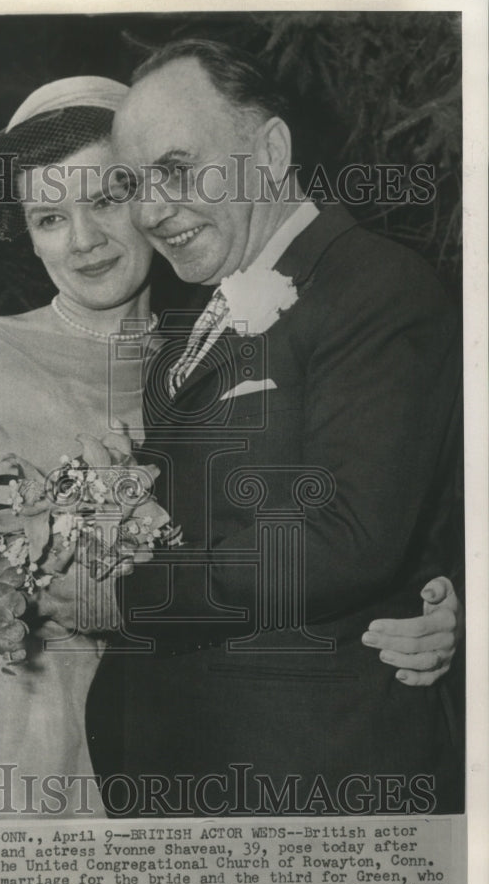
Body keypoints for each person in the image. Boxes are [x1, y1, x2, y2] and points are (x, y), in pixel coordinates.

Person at [0, 75, 460, 821]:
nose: (83, 240)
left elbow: (334, 504)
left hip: (145, 730)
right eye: (49, 218)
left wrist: (429, 601)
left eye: (105, 199)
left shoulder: (207, 349)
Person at [74, 40, 465, 816]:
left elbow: (346, 535)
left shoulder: (375, 286)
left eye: (177, 169)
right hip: (182, 775)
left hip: (306, 781)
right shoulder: (195, 320)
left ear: (271, 153)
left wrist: (121, 597)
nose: (150, 211)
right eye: (134, 183)